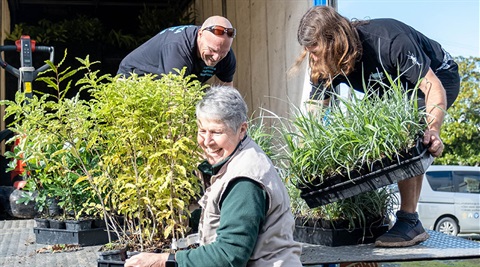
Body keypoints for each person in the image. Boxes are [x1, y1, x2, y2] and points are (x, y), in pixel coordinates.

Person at [292, 6, 460, 248]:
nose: (313, 59)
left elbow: (433, 88)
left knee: (408, 132)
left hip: (438, 77)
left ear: (335, 43)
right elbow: (315, 113)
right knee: (366, 138)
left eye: (316, 52)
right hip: (389, 87)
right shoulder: (324, 63)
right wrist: (308, 156)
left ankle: (409, 220)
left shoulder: (390, 41)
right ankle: (366, 211)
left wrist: (432, 131)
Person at [125, 85, 302, 267]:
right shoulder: (237, 156)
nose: (207, 141)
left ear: (242, 130)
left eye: (217, 132)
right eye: (202, 131)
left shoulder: (244, 181)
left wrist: (164, 261)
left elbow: (229, 256)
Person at [117, 16, 236, 86]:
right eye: (212, 50)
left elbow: (228, 97)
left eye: (222, 53)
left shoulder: (227, 56)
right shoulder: (178, 48)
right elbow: (174, 101)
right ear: (200, 34)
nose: (216, 58)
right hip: (133, 78)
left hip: (169, 85)